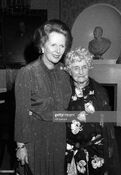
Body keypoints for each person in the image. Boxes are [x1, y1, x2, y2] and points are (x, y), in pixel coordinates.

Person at [14, 19, 73, 175]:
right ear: (42, 46)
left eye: (62, 45)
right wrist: (21, 146)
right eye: (53, 45)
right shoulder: (27, 72)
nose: (58, 50)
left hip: (59, 136)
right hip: (36, 138)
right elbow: (21, 113)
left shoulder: (65, 72)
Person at [64, 47, 120, 175]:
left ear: (89, 67)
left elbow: (108, 120)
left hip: (97, 152)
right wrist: (77, 116)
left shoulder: (100, 91)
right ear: (69, 70)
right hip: (71, 152)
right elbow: (56, 117)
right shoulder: (63, 92)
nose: (81, 71)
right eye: (76, 67)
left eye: (84, 67)